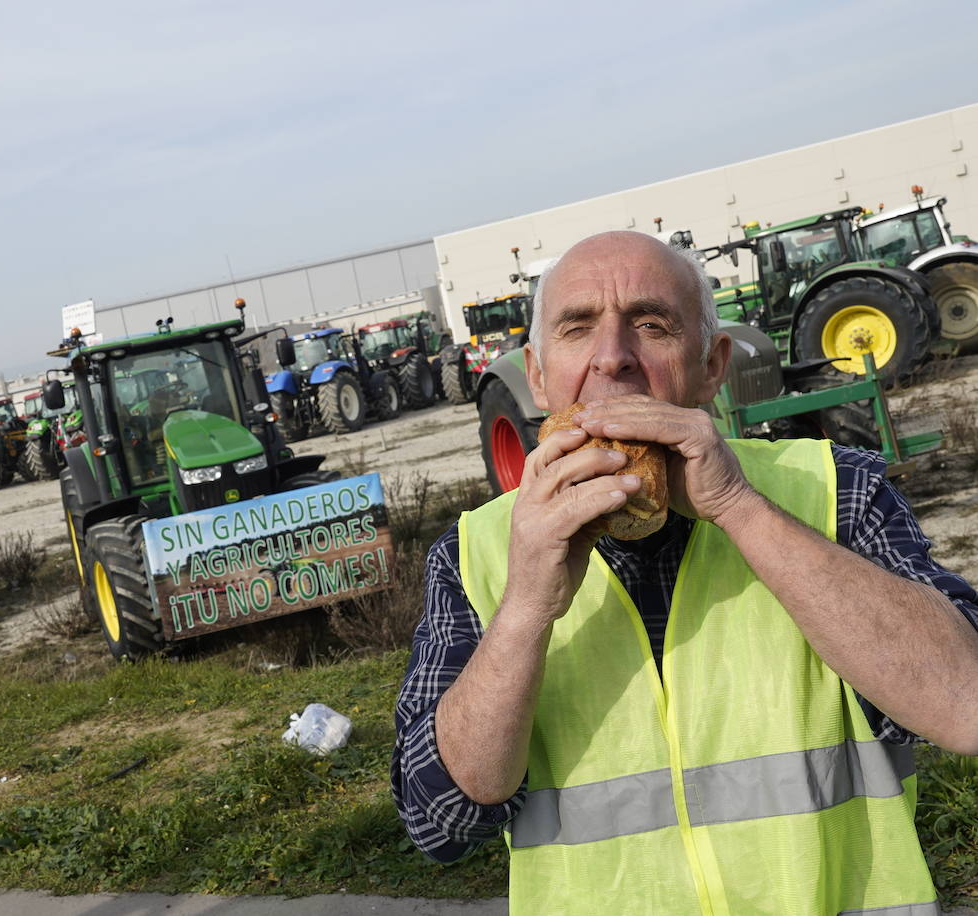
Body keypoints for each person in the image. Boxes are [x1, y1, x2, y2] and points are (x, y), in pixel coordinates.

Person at [391, 230, 978, 915]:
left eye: (652, 325)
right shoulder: (475, 552)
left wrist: (739, 508)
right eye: (577, 328)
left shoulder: (832, 490)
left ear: (712, 367)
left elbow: (964, 709)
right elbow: (442, 822)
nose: (613, 357)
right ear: (538, 376)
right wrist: (524, 610)